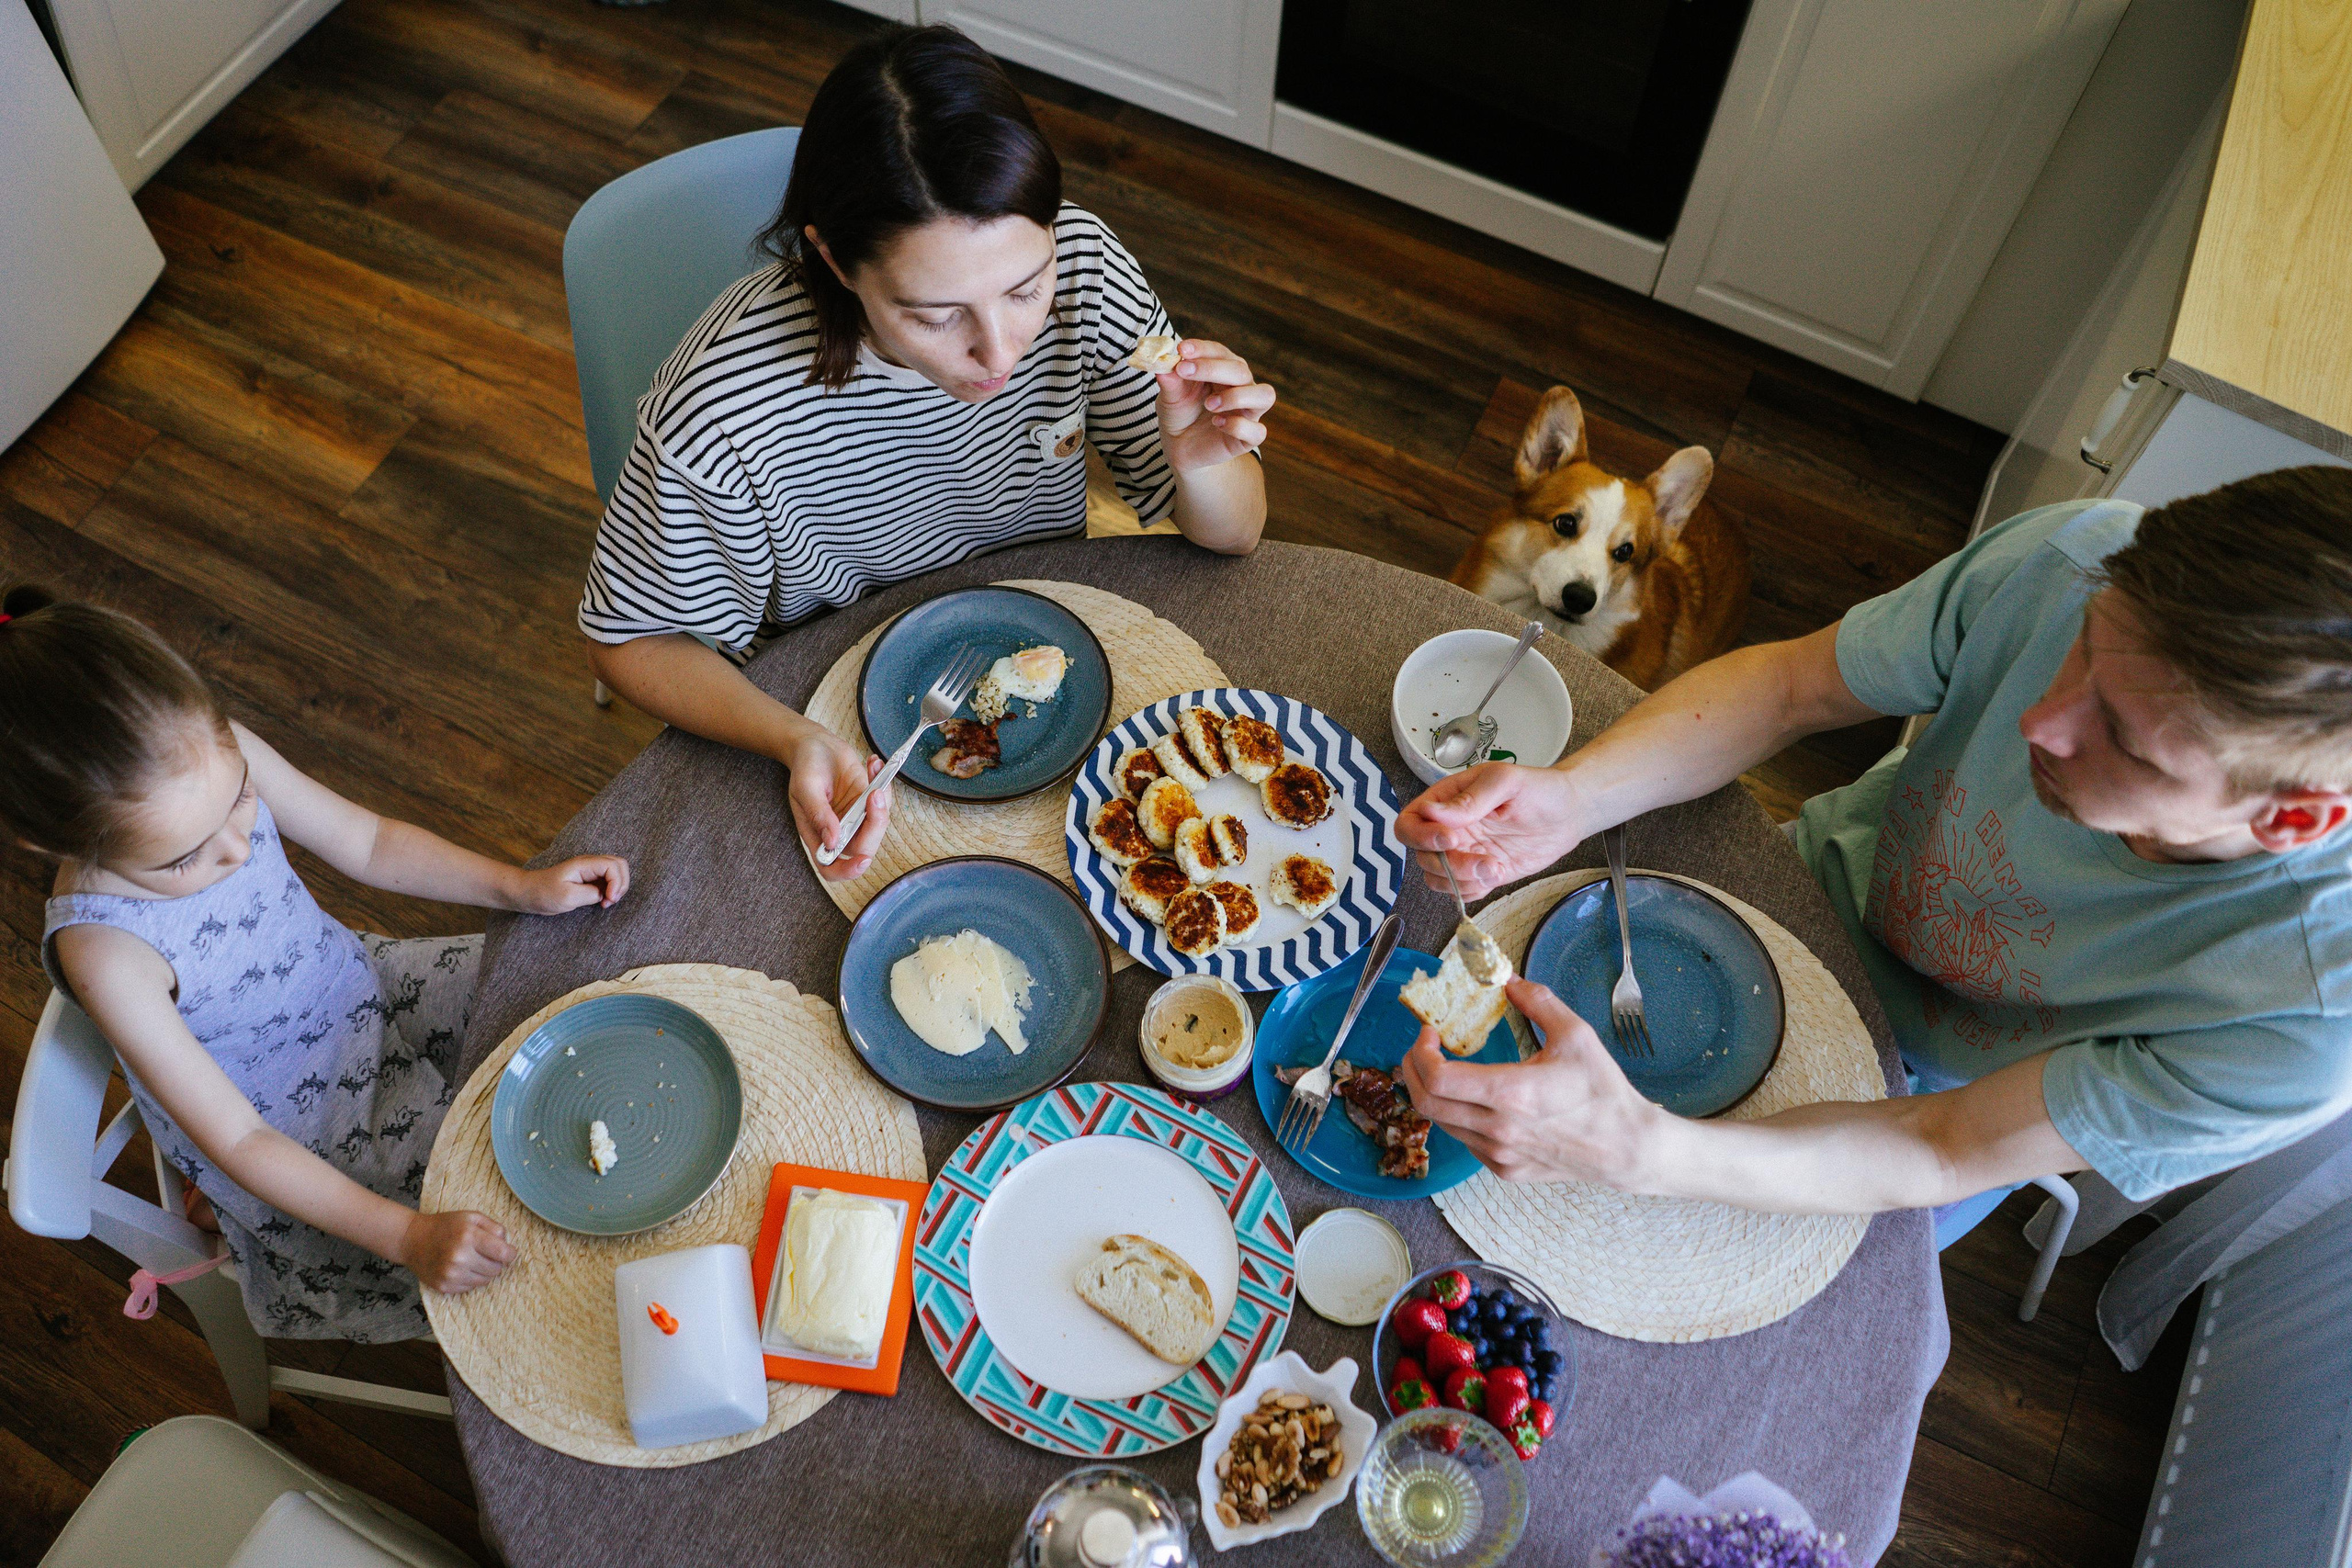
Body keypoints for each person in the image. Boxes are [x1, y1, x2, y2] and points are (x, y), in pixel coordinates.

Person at [1393, 468, 2352, 1234]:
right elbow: (1788, 690)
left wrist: (1646, 1152)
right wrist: (1573, 798)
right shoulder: (2074, 556)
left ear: (2293, 821)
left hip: (1925, 1106)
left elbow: (1941, 1148)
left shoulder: (2306, 1017)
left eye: (2126, 739)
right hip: (1800, 884)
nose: (2039, 721)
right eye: (2083, 647)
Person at [579, 24, 1276, 880]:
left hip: (1047, 648)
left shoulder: (1087, 269)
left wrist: (1201, 461)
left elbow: (1237, 537)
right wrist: (791, 736)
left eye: (1024, 286)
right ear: (832, 258)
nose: (1000, 350)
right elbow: (630, 643)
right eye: (935, 314)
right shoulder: (718, 411)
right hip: (826, 699)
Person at [3, 586, 633, 1339]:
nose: (239, 850)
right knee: (541, 1234)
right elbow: (240, 1141)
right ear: (55, 845)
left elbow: (368, 842)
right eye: (186, 859)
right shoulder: (106, 952)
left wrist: (521, 887)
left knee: (568, 987)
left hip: (368, 988)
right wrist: (410, 1239)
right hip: (302, 1135)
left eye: (239, 800)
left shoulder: (213, 753)